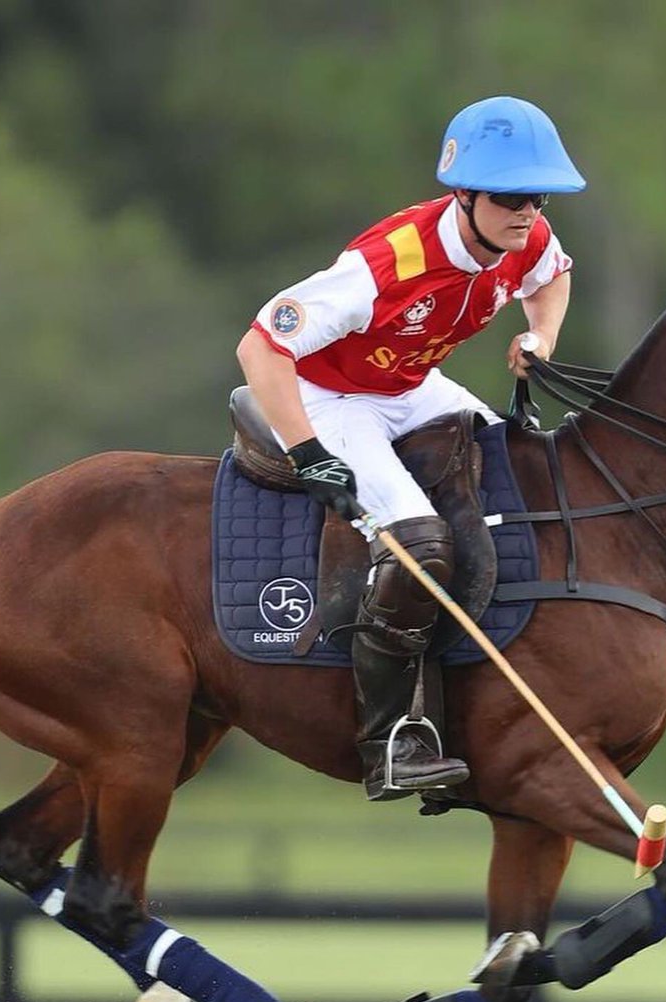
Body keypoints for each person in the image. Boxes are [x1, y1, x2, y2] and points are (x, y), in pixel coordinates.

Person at [236, 95, 586, 801]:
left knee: (524, 464)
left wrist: (539, 339)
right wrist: (310, 454)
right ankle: (392, 739)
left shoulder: (530, 240)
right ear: (464, 194)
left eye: (538, 196)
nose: (528, 212)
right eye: (511, 197)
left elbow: (552, 280)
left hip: (410, 386)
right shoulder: (386, 264)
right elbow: (260, 345)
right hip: (329, 397)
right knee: (418, 541)